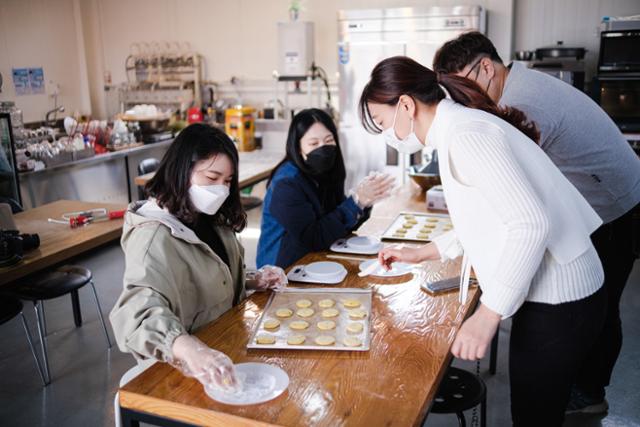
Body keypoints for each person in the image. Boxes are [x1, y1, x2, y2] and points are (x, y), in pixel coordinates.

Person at [360, 56, 606, 427]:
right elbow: (491, 216)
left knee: (534, 417)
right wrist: (423, 252)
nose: (387, 134)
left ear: (406, 106)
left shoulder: (465, 135)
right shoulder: (458, 128)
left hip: (561, 299)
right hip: (560, 295)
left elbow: (529, 223)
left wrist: (488, 313)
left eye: (382, 122)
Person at [433, 32, 640, 415]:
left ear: (486, 68)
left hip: (614, 205)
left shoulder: (522, 101)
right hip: (601, 199)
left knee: (602, 305)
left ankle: (589, 393)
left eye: (464, 86)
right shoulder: (517, 83)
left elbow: (518, 199)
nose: (462, 100)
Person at [109, 124, 287, 392]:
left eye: (227, 181)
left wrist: (251, 279)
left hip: (226, 346)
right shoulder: (153, 235)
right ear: (182, 170)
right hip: (189, 371)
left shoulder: (209, 216)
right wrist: (189, 349)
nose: (221, 189)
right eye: (212, 177)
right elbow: (138, 313)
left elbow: (208, 271)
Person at [257, 108, 394, 268]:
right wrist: (356, 201)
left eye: (329, 140)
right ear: (298, 148)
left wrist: (364, 202)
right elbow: (314, 237)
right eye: (314, 143)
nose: (323, 148)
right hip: (282, 269)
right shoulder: (286, 184)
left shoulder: (325, 171)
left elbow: (338, 224)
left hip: (316, 257)